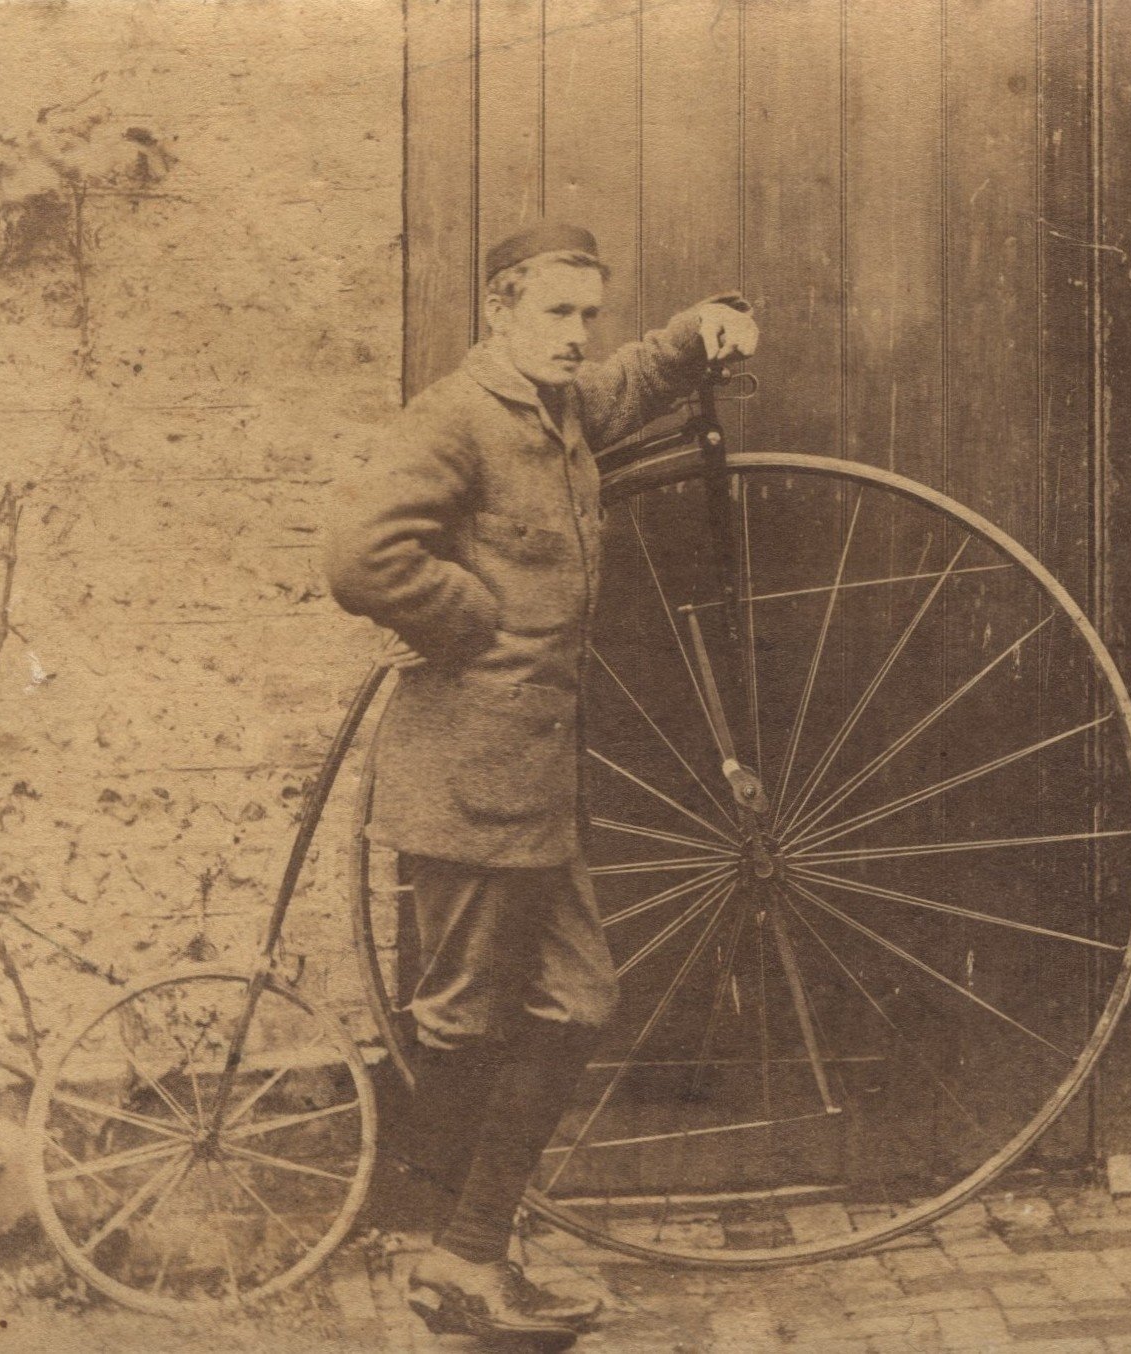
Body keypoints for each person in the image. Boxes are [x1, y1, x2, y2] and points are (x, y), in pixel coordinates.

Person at [325, 221, 757, 1340]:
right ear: (501, 309)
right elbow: (363, 554)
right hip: (468, 776)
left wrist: (695, 332)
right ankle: (449, 1258)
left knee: (575, 999)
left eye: (587, 315)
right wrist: (474, 617)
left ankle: (468, 1251)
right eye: (556, 314)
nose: (576, 336)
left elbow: (627, 383)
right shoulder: (455, 415)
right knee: (465, 1016)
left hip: (533, 786)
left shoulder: (559, 409)